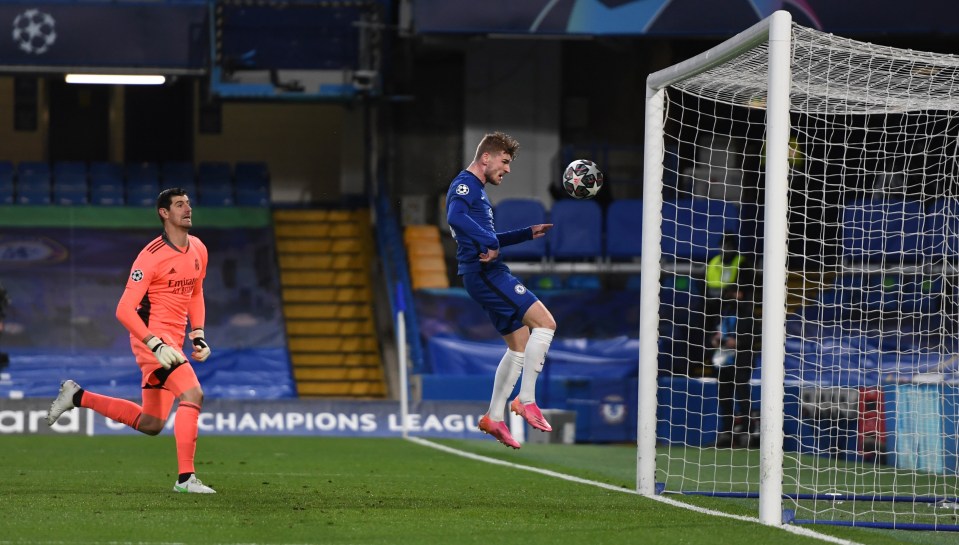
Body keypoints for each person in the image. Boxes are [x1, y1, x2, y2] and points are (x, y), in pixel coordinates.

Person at [46, 188, 216, 493]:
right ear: (164, 213)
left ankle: (77, 396)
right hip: (153, 341)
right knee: (193, 394)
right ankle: (185, 479)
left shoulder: (199, 249)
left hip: (173, 341)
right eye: (179, 205)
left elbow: (195, 292)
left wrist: (198, 334)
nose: (187, 209)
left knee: (151, 424)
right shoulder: (150, 257)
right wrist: (155, 344)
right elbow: (123, 310)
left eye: (189, 203)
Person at [446, 131, 557, 449]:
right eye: (505, 162)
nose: (507, 170)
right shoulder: (465, 185)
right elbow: (455, 216)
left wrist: (525, 234)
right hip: (487, 274)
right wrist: (490, 242)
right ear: (486, 157)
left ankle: (494, 417)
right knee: (546, 324)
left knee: (520, 343)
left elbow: (485, 235)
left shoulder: (476, 191)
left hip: (480, 273)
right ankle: (526, 400)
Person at [710, 280, 759, 448]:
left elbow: (755, 336)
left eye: (736, 292)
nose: (733, 296)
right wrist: (715, 340)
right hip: (723, 360)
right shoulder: (723, 312)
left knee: (742, 395)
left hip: (741, 359)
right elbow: (713, 331)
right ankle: (726, 432)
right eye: (731, 293)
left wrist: (738, 342)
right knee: (724, 397)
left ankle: (746, 430)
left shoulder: (748, 313)